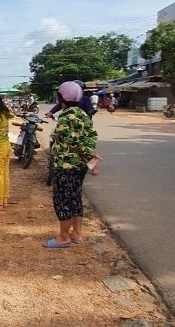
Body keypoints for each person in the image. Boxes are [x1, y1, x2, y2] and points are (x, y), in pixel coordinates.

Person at [44, 81, 98, 248]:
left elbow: (71, 140)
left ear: (63, 96)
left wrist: (83, 152)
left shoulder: (66, 117)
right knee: (75, 197)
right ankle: (76, 234)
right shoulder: (83, 115)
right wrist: (88, 154)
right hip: (80, 166)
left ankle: (63, 236)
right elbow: (92, 137)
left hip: (66, 165)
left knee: (63, 199)